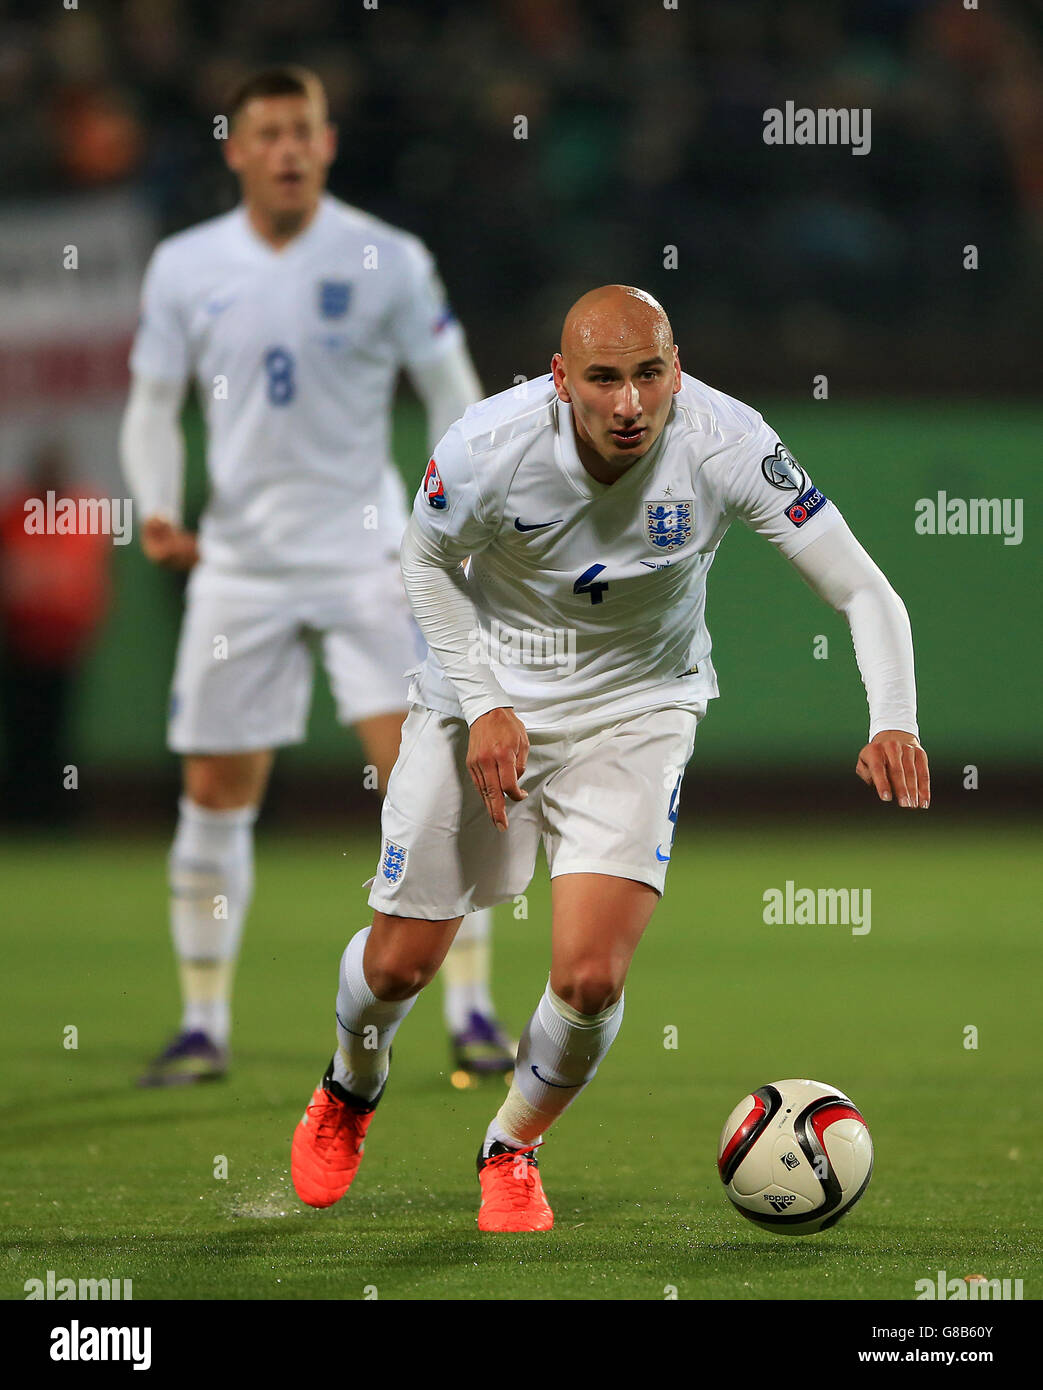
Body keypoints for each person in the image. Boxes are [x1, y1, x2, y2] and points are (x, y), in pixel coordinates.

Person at [290, 284, 930, 1231]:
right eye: (603, 380)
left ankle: (509, 1146)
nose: (630, 403)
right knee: (398, 965)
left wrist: (893, 718)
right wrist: (486, 703)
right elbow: (421, 563)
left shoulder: (727, 440)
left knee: (590, 980)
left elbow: (864, 590)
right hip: (483, 701)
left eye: (649, 375)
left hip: (639, 710)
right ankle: (350, 1085)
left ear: (675, 368)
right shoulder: (487, 447)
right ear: (561, 380)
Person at [120, 65, 513, 1087]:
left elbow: (449, 391)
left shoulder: (388, 257)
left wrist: (457, 514)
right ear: (234, 148)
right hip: (241, 562)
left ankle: (471, 1013)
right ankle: (203, 1024)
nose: (288, 147)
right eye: (268, 132)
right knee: (213, 791)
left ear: (327, 143)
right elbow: (153, 403)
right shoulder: (183, 266)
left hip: (369, 554)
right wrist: (157, 501)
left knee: (427, 781)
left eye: (303, 129)